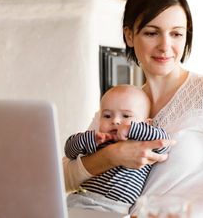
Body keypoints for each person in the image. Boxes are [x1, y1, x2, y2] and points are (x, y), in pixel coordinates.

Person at [63, 0, 203, 217]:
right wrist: (113, 155)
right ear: (129, 35)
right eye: (152, 33)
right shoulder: (121, 103)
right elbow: (65, 177)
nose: (165, 46)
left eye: (176, 34)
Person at [65, 84, 171, 214]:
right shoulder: (100, 140)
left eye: (126, 116)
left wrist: (131, 129)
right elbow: (69, 151)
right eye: (107, 116)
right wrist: (89, 138)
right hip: (80, 200)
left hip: (113, 209)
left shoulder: (144, 143)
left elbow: (163, 142)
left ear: (146, 124)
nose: (115, 121)